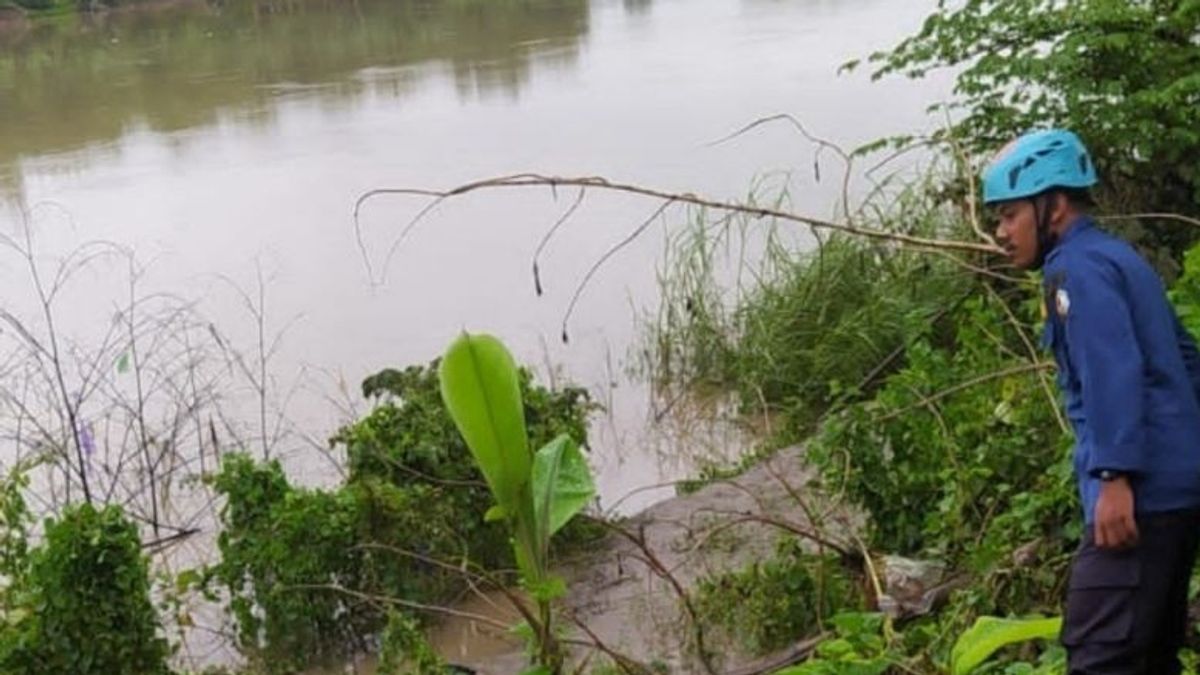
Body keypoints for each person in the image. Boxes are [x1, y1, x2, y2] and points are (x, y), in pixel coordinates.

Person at [982, 128, 1200, 674]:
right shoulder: (1117, 258)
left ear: (1052, 206)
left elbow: (1113, 371)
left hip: (1138, 501)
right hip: (1176, 493)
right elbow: (1187, 358)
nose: (1000, 233)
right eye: (996, 219)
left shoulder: (1075, 270)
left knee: (1098, 654)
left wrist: (1114, 477)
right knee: (1148, 656)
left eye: (1010, 215)